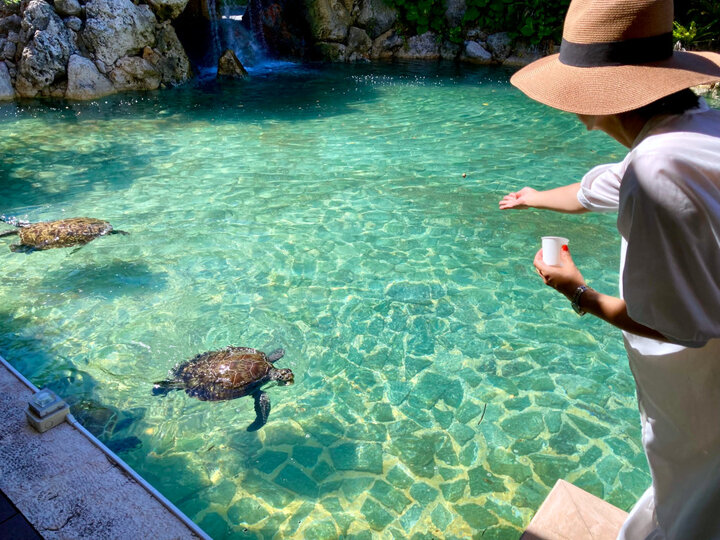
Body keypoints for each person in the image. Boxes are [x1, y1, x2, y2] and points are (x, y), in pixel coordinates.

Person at [499, 0, 720, 539]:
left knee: (696, 491)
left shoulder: (654, 169)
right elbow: (591, 190)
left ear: (585, 105)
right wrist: (534, 198)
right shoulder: (694, 128)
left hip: (703, 386)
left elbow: (676, 327)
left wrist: (578, 293)